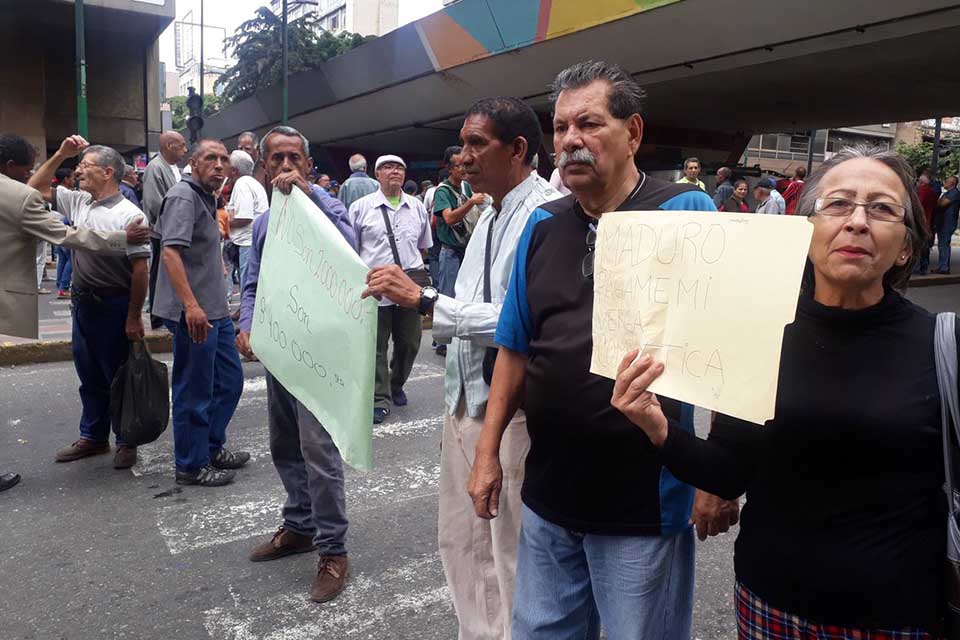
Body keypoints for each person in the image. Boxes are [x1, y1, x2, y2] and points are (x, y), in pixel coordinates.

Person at [614, 146, 945, 638]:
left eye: (881, 207)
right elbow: (728, 471)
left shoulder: (942, 346)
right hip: (772, 604)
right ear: (803, 231)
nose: (857, 221)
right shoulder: (761, 333)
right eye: (837, 204)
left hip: (899, 614)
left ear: (905, 247)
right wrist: (656, 427)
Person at [467, 61, 729, 640]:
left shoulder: (686, 213)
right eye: (560, 128)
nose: (570, 141)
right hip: (550, 497)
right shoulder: (542, 225)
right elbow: (514, 349)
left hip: (643, 504)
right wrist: (487, 455)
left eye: (587, 123)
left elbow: (729, 356)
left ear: (632, 132)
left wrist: (717, 475)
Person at [363, 97, 556, 640]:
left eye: (477, 144)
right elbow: (475, 302)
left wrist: (425, 301)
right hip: (465, 399)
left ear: (518, 149)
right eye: (462, 143)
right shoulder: (491, 211)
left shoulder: (544, 214)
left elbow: (520, 324)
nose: (462, 157)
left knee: (510, 550)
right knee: (462, 541)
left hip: (509, 410)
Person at [237, 125, 356, 604]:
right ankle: (300, 525)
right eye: (277, 159)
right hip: (280, 349)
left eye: (294, 158)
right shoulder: (265, 223)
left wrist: (314, 200)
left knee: (319, 453)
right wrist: (246, 325)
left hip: (320, 352)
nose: (285, 166)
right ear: (265, 168)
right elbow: (253, 280)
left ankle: (334, 549)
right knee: (284, 443)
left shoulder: (331, 208)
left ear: (307, 165)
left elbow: (352, 257)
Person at [0, 132, 149, 493]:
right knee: (89, 375)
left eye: (86, 165)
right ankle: (93, 436)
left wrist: (134, 315)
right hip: (83, 303)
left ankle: (126, 439)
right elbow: (29, 193)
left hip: (114, 304)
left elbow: (141, 270)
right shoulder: (79, 201)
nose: (78, 171)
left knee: (119, 377)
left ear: (109, 172)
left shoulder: (131, 214)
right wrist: (62, 154)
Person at [153, 139, 249, 487]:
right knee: (194, 391)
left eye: (224, 159)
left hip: (215, 310)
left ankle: (210, 446)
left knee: (230, 381)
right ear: (194, 162)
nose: (220, 165)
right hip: (193, 312)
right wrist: (191, 306)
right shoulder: (183, 196)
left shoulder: (207, 197)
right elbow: (171, 254)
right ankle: (191, 465)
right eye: (211, 158)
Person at [349, 155, 432, 424]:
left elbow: (423, 246)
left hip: (410, 284)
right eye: (387, 167)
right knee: (375, 345)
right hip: (376, 285)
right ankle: (379, 397)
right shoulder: (361, 208)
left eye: (399, 167)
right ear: (376, 174)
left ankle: (397, 383)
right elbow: (352, 248)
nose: (394, 171)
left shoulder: (417, 206)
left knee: (409, 342)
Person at [433, 146, 486, 357]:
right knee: (447, 295)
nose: (463, 169)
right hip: (451, 252)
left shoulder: (466, 187)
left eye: (465, 164)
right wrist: (471, 202)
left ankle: (458, 339)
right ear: (448, 168)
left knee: (465, 296)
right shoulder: (443, 191)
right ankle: (443, 342)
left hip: (467, 251)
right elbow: (449, 218)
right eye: (458, 166)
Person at [143, 130, 187, 329]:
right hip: (163, 230)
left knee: (167, 271)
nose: (185, 151)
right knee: (159, 272)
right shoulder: (155, 167)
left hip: (171, 228)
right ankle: (157, 315)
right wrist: (172, 221)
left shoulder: (171, 167)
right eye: (182, 146)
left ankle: (165, 312)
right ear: (169, 146)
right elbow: (154, 203)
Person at [226, 149, 269, 291]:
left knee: (247, 287)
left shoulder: (242, 184)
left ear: (233, 170)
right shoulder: (253, 183)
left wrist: (222, 222)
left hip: (247, 243)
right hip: (253, 241)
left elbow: (244, 217)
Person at [54, 168, 75, 297]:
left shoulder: (56, 190)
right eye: (72, 178)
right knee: (71, 259)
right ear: (66, 179)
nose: (74, 180)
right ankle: (64, 287)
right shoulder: (66, 193)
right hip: (65, 227)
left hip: (57, 228)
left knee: (62, 258)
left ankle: (60, 285)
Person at [934, 175, 960, 274]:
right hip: (943, 221)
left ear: (952, 183)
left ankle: (944, 267)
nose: (944, 182)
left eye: (947, 181)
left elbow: (941, 204)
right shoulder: (948, 193)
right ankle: (942, 266)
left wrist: (939, 200)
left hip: (948, 222)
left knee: (944, 244)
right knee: (941, 244)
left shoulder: (954, 193)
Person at [915, 172, 940, 274]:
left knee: (917, 246)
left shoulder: (921, 190)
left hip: (920, 221)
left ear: (921, 182)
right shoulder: (932, 192)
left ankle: (916, 268)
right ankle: (924, 268)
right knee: (925, 247)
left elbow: (918, 205)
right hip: (928, 222)